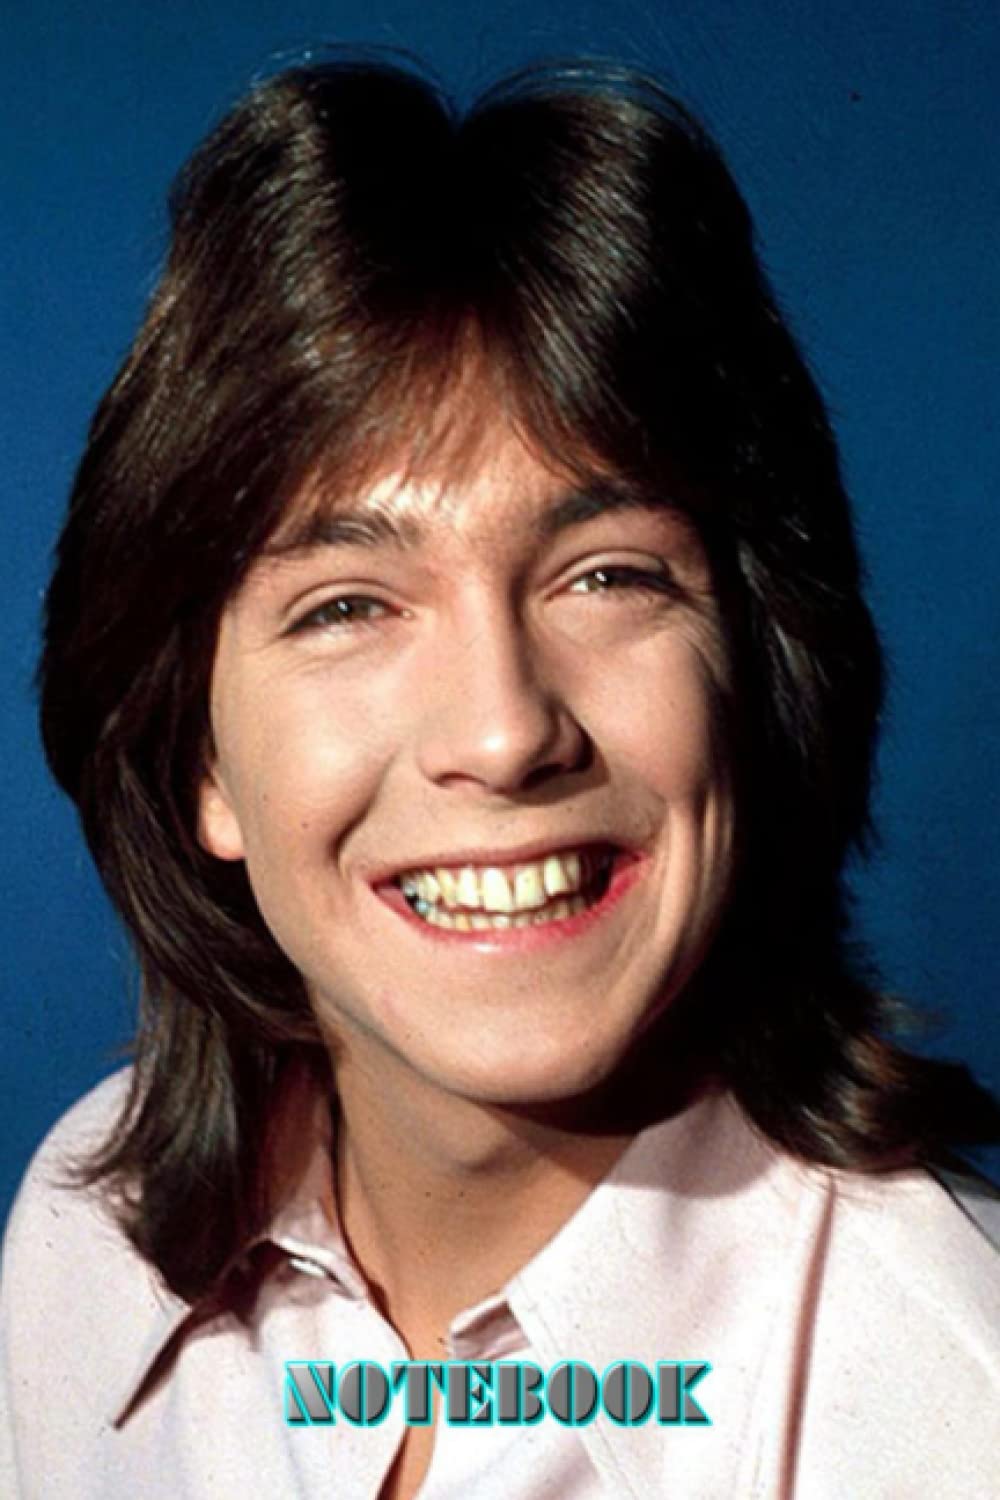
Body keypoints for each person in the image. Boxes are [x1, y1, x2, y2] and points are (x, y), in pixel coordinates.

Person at [1, 54, 998, 1499]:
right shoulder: (87, 1239)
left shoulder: (955, 1407)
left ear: (756, 675)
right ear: (197, 760)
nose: (503, 728)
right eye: (347, 605)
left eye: (607, 576)